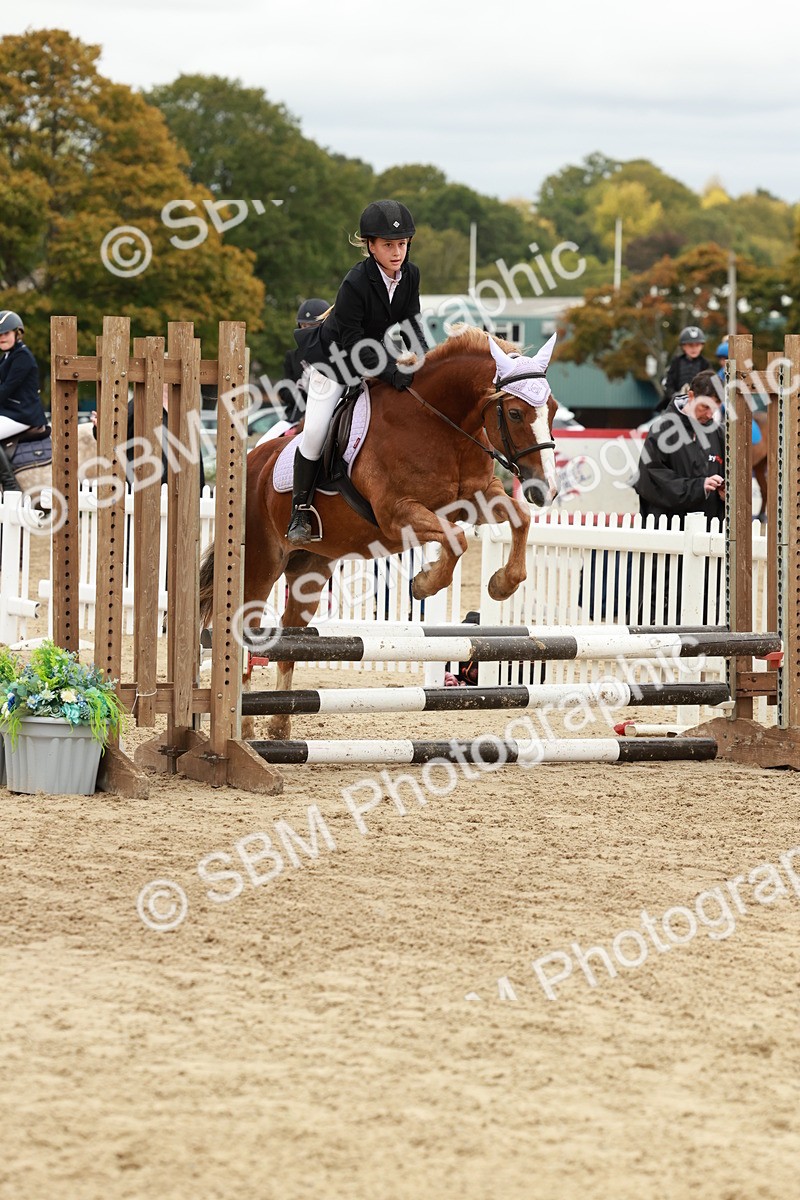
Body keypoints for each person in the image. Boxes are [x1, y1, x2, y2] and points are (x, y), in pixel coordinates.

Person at [285, 199, 426, 544]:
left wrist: (425, 360)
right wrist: (389, 372)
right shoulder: (356, 282)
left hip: (372, 351)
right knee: (316, 430)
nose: (397, 253)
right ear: (371, 246)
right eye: (389, 245)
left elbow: (410, 324)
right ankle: (299, 510)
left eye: (402, 244)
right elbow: (351, 342)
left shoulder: (410, 275)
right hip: (334, 361)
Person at [634, 369, 725, 526]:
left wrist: (724, 495)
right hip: (668, 534)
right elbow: (650, 480)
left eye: (715, 407)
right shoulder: (662, 430)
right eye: (704, 406)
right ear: (691, 396)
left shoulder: (719, 433)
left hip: (707, 537)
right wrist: (699, 487)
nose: (710, 414)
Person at [0, 310, 48, 493]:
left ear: (17, 333)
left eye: (5, 333)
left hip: (23, 414)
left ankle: (10, 484)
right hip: (10, 412)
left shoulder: (22, 357)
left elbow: (5, 390)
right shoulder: (8, 356)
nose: (2, 338)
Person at [275, 298, 331, 427]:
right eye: (304, 326)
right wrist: (298, 390)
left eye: (313, 326)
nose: (307, 330)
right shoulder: (292, 356)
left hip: (325, 415)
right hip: (296, 416)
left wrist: (314, 386)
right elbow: (283, 390)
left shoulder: (333, 354)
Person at [659, 326, 713, 410]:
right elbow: (668, 383)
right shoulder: (676, 362)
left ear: (702, 346)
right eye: (690, 345)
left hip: (699, 404)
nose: (694, 348)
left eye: (697, 345)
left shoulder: (706, 364)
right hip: (677, 403)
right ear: (683, 346)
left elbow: (710, 385)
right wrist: (675, 396)